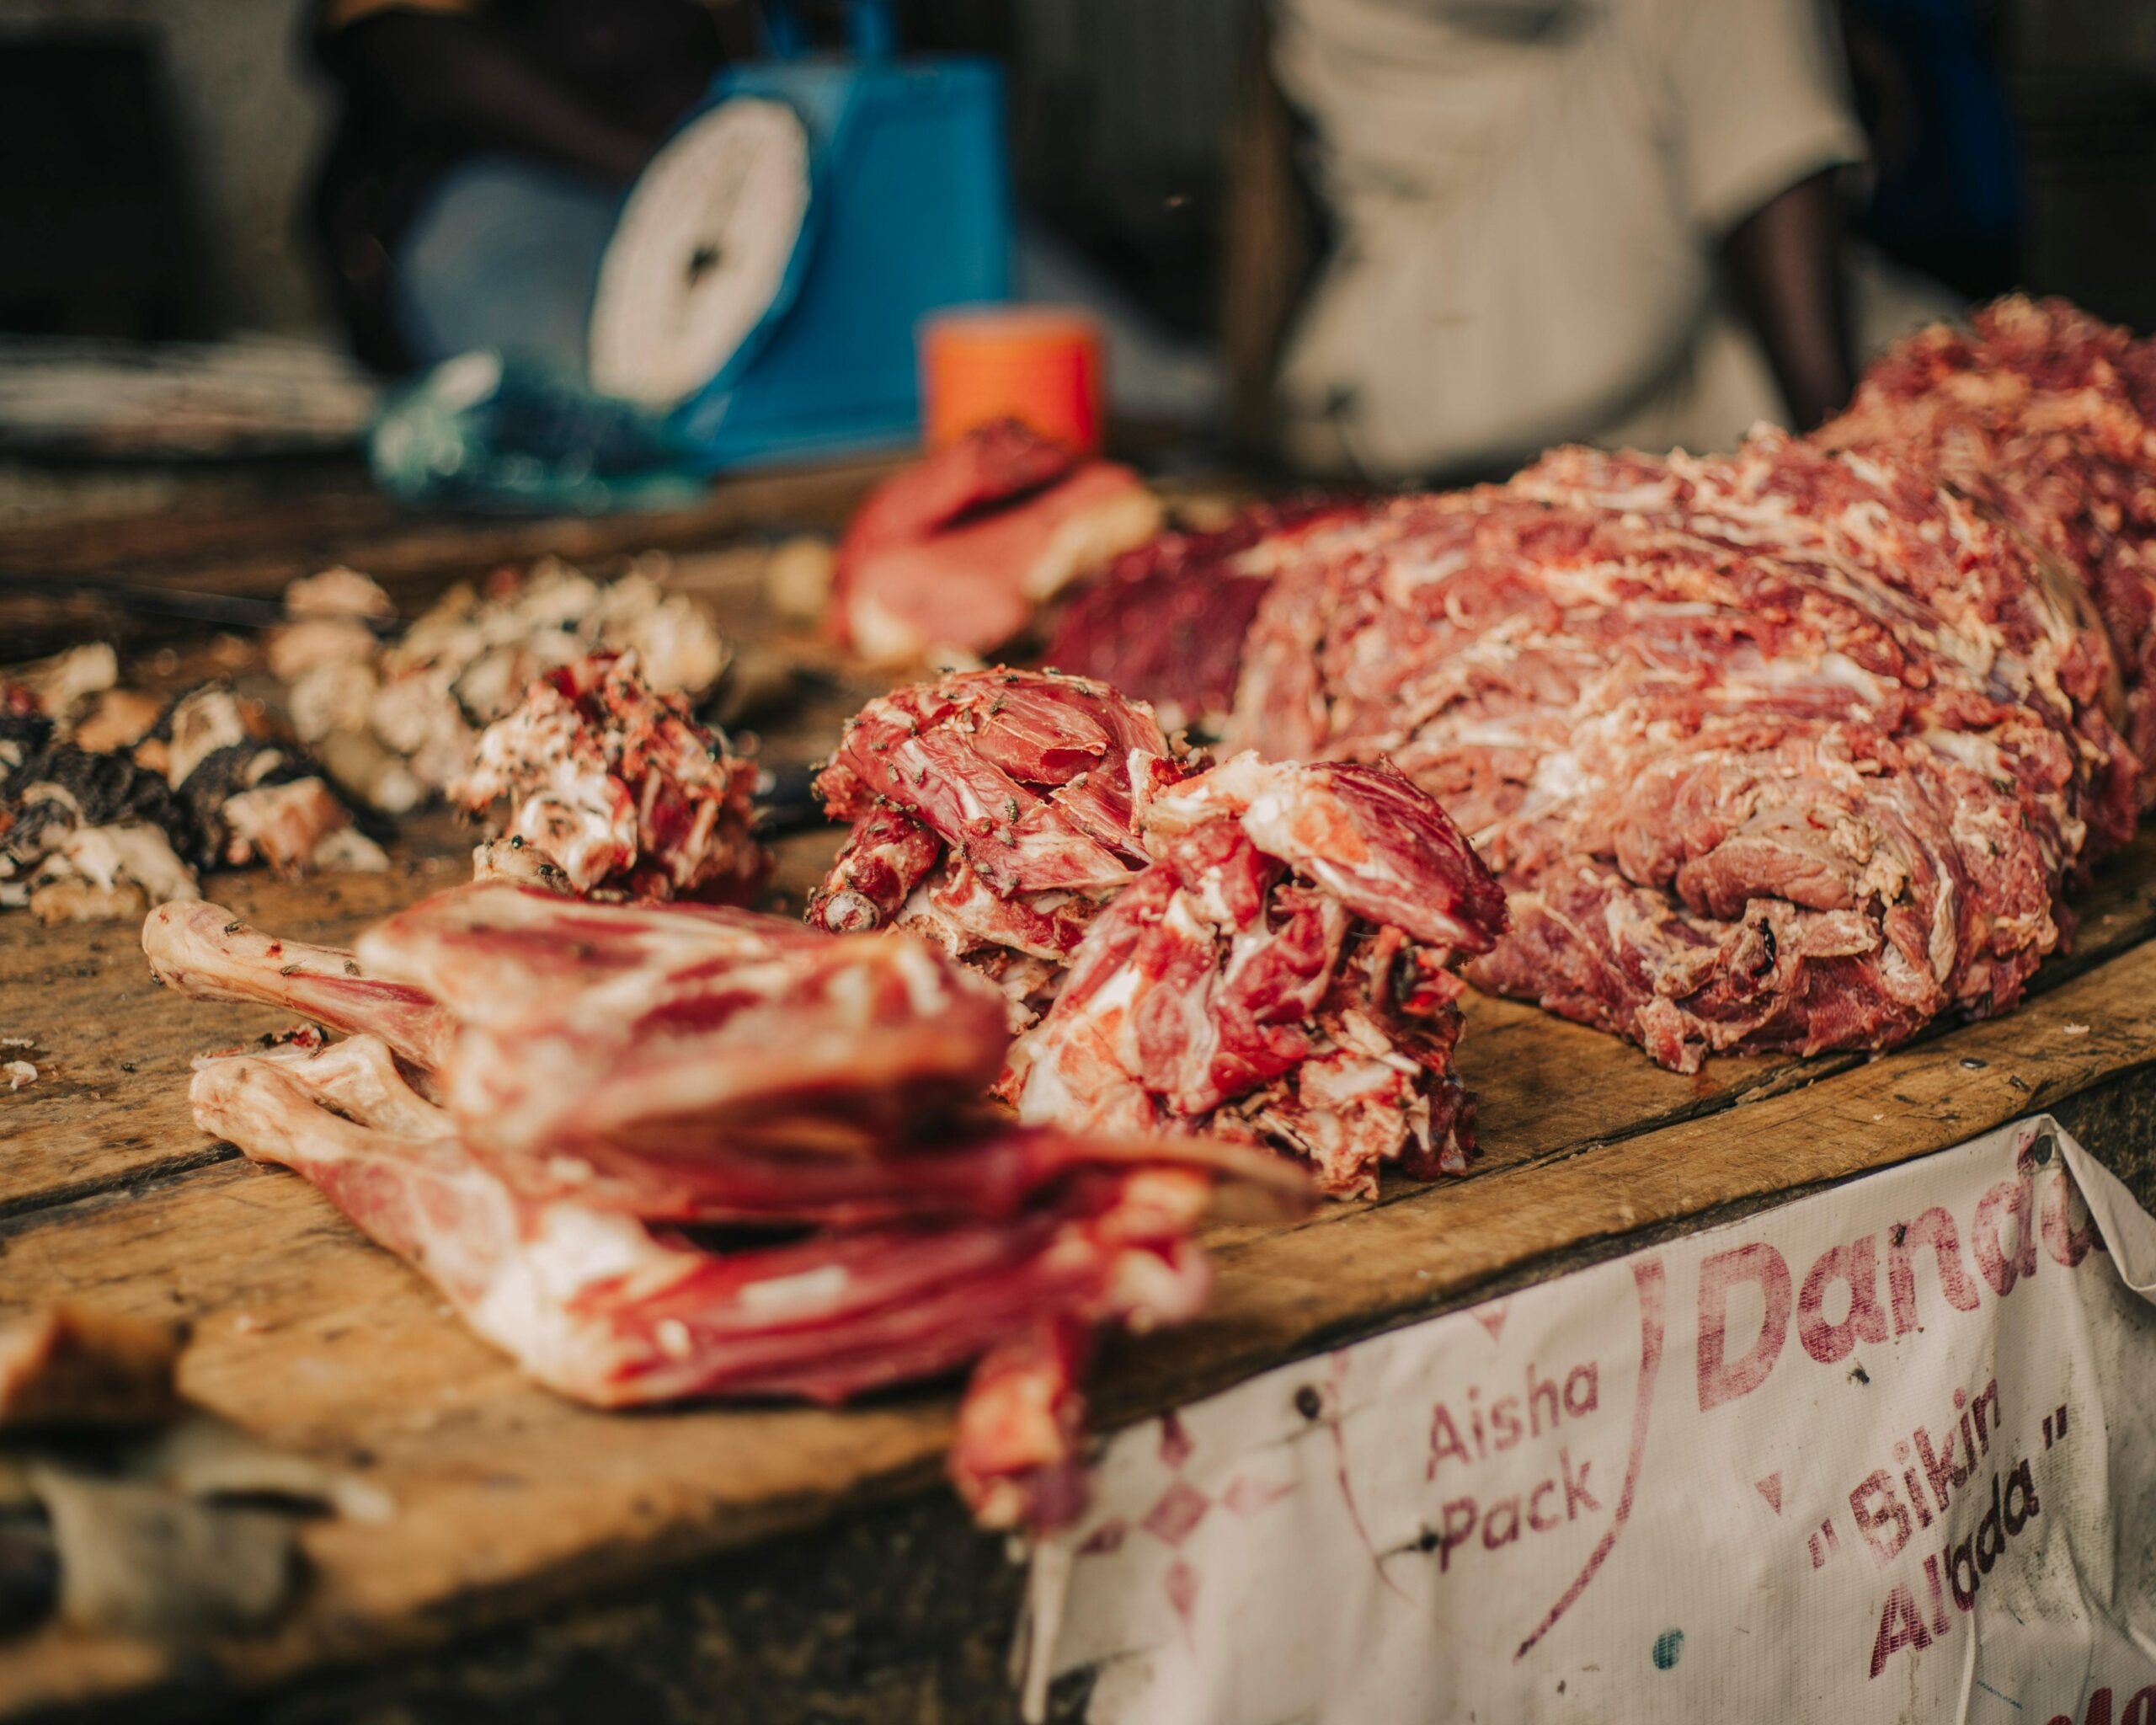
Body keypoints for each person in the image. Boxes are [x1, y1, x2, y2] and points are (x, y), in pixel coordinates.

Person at [1235, 0, 1904, 482]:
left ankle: (1859, 478)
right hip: (1449, 316)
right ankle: (1848, 490)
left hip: (1639, 310)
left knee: (1948, 375)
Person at [307, 0, 758, 373]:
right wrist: (672, 170)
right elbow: (419, 52)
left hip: (728, 164)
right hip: (514, 179)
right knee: (643, 389)